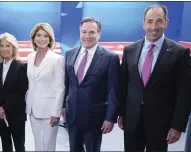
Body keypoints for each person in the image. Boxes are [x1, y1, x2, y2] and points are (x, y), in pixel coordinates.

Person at [118, 4, 191, 152]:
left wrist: (177, 126)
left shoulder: (180, 53)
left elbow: (185, 93)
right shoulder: (130, 50)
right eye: (150, 21)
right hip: (132, 120)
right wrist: (121, 114)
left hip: (161, 123)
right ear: (143, 23)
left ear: (166, 22)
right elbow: (124, 85)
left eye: (159, 21)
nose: (154, 26)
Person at [63, 17, 121, 152]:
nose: (87, 36)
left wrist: (110, 118)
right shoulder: (70, 54)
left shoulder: (110, 57)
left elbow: (113, 90)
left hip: (95, 118)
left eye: (92, 32)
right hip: (72, 116)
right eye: (84, 32)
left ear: (99, 34)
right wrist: (63, 106)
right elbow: (67, 84)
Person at [26, 23, 65, 151]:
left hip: (49, 111)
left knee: (48, 145)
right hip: (32, 109)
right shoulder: (30, 57)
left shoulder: (57, 59)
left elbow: (60, 88)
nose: (42, 39)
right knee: (38, 144)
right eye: (39, 35)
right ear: (33, 38)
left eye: (45, 36)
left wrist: (56, 112)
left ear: (50, 39)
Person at [0, 33, 28, 152]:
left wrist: (4, 108)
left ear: (14, 47)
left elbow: (21, 92)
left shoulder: (21, 66)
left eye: (8, 46)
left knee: (19, 146)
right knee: (5, 145)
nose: (4, 49)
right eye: (2, 46)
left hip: (16, 114)